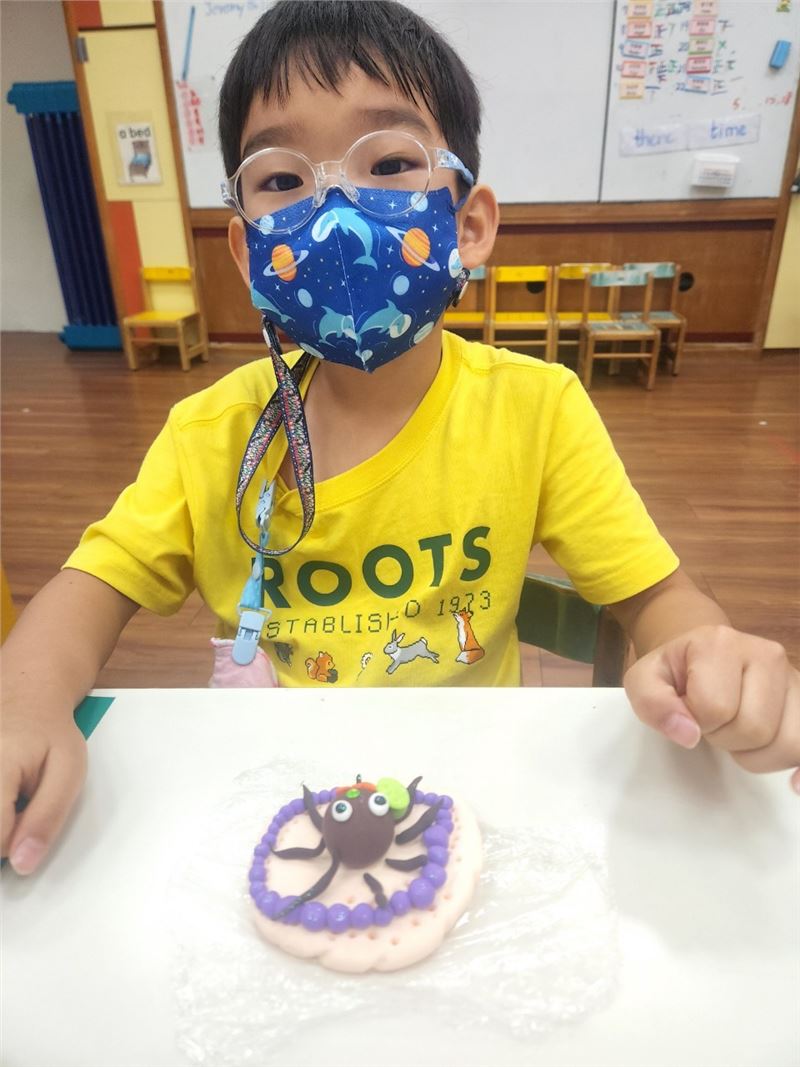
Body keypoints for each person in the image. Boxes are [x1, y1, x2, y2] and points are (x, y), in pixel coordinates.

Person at [2, 1, 797, 877]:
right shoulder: (210, 434)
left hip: (473, 796)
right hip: (278, 802)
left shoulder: (536, 410)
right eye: (281, 179)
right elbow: (90, 588)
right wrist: (24, 700)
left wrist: (704, 652)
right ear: (247, 249)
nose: (333, 207)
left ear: (470, 225)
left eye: (388, 163)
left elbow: (659, 599)